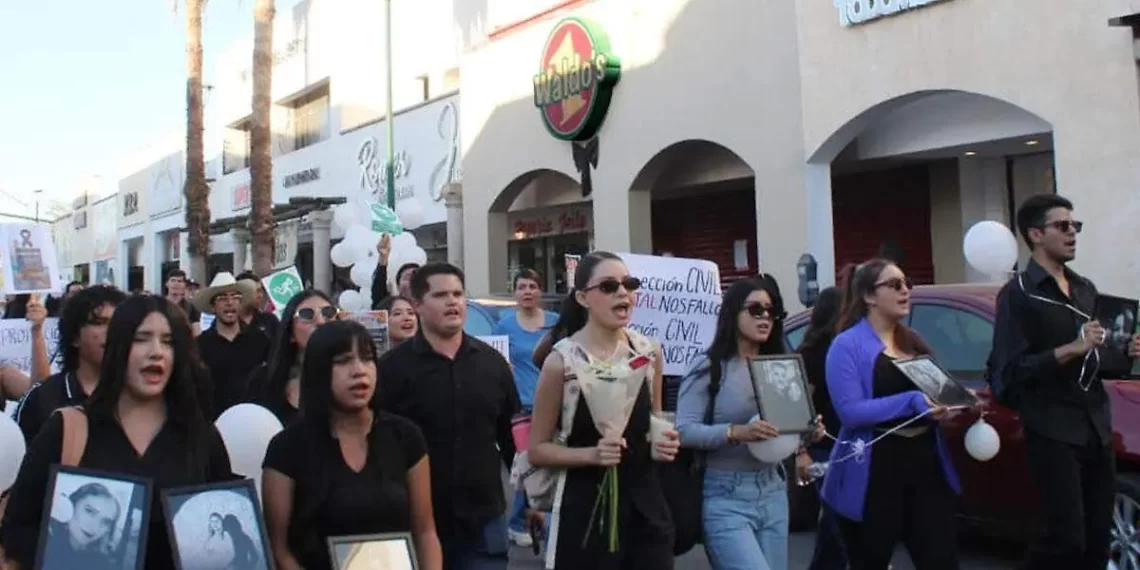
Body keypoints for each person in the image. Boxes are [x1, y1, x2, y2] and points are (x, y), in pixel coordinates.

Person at [0, 294, 235, 570]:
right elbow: (18, 526)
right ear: (118, 347)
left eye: (168, 341)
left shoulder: (202, 437)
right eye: (141, 338)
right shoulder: (67, 429)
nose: (156, 351)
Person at [989, 194, 1140, 570]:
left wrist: (1125, 351)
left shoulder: (1085, 288)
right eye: (1062, 226)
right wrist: (1070, 348)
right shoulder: (1019, 295)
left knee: (1095, 543)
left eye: (1075, 226)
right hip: (1052, 428)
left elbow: (1096, 360)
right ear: (1036, 234)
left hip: (1095, 426)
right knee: (1065, 540)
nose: (1072, 232)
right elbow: (1009, 373)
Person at [528, 251, 678, 570]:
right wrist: (591, 455)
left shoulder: (649, 352)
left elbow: (656, 420)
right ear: (583, 298)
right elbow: (537, 450)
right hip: (585, 511)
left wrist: (664, 442)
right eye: (609, 286)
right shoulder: (562, 362)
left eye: (629, 284)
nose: (623, 292)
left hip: (646, 506)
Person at [262, 320, 442, 570]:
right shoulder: (287, 448)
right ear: (319, 370)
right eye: (343, 361)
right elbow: (279, 550)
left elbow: (425, 532)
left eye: (367, 359)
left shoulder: (405, 437)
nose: (359, 371)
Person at [377, 263, 519, 569]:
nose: (453, 301)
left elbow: (511, 437)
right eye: (441, 295)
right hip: (412, 521)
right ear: (417, 305)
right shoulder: (391, 370)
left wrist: (531, 501)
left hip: (483, 521)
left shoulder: (493, 365)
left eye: (458, 293)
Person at [820, 258, 959, 570]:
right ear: (870, 296)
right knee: (870, 559)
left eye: (907, 283)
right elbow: (850, 412)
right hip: (875, 469)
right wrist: (911, 401)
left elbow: (937, 395)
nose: (906, 291)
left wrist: (954, 403)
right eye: (895, 285)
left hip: (925, 463)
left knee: (941, 559)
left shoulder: (912, 341)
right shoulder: (847, 345)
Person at [677, 276, 821, 570]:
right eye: (756, 309)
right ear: (732, 313)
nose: (765, 316)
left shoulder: (780, 366)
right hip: (724, 495)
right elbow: (683, 430)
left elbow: (785, 432)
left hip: (773, 489)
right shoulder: (709, 367)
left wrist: (808, 432)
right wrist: (736, 432)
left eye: (771, 310)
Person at [493, 268, 558, 547]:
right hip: (519, 406)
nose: (527, 291)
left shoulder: (555, 323)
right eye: (521, 287)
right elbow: (496, 360)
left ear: (540, 291)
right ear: (515, 293)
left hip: (553, 401)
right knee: (529, 465)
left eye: (532, 286)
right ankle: (520, 521)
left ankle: (538, 520)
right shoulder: (504, 325)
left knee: (549, 464)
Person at [15, 285, 127, 444]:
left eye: (118, 323)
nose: (111, 332)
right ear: (74, 337)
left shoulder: (142, 396)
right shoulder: (43, 398)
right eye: (100, 322)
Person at [796, 286, 847, 570]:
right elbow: (804, 404)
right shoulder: (813, 353)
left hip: (849, 444)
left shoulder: (846, 347)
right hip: (824, 446)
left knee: (835, 525)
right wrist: (801, 450)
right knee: (838, 521)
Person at [249, 290, 337, 426]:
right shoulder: (263, 381)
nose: (320, 322)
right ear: (291, 333)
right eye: (307, 314)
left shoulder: (354, 376)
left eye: (328, 313)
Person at [195, 272, 272, 420]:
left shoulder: (261, 341)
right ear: (213, 306)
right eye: (222, 298)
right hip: (214, 424)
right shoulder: (199, 346)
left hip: (254, 422)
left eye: (235, 297)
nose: (230, 302)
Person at [40, 482, 120, 570]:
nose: (94, 526)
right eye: (89, 511)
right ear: (72, 505)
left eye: (106, 522)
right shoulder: (45, 538)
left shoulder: (104, 564)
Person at [371, 234, 421, 308]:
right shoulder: (390, 306)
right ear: (398, 286)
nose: (412, 282)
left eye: (416, 278)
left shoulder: (430, 308)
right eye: (407, 277)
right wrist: (383, 258)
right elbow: (379, 291)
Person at [235, 271, 280, 341]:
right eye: (257, 291)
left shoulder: (270, 320)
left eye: (261, 290)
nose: (260, 296)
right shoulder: (227, 322)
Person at [166, 269, 203, 336]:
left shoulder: (191, 308)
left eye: (179, 281)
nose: (176, 284)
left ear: (184, 285)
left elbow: (196, 332)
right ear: (167, 284)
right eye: (173, 280)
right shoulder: (158, 304)